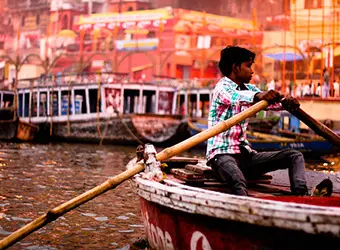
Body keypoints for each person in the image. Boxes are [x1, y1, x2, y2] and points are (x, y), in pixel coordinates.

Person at [206, 46, 331, 196]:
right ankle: (246, 211)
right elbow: (236, 97)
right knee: (238, 181)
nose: (252, 71)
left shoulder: (249, 88)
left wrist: (286, 102)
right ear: (235, 67)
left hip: (245, 156)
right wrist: (259, 96)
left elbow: (271, 102)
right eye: (248, 66)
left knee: (295, 156)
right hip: (221, 155)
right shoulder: (222, 88)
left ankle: (301, 196)